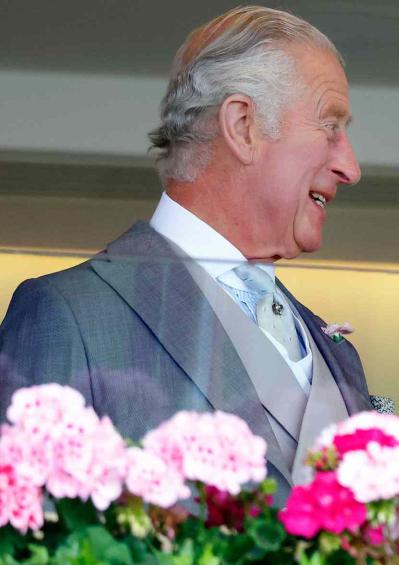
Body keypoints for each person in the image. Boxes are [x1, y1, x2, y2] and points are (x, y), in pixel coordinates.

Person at [0, 6, 373, 500]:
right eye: (330, 126)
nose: (350, 166)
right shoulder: (70, 316)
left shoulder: (337, 354)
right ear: (243, 125)